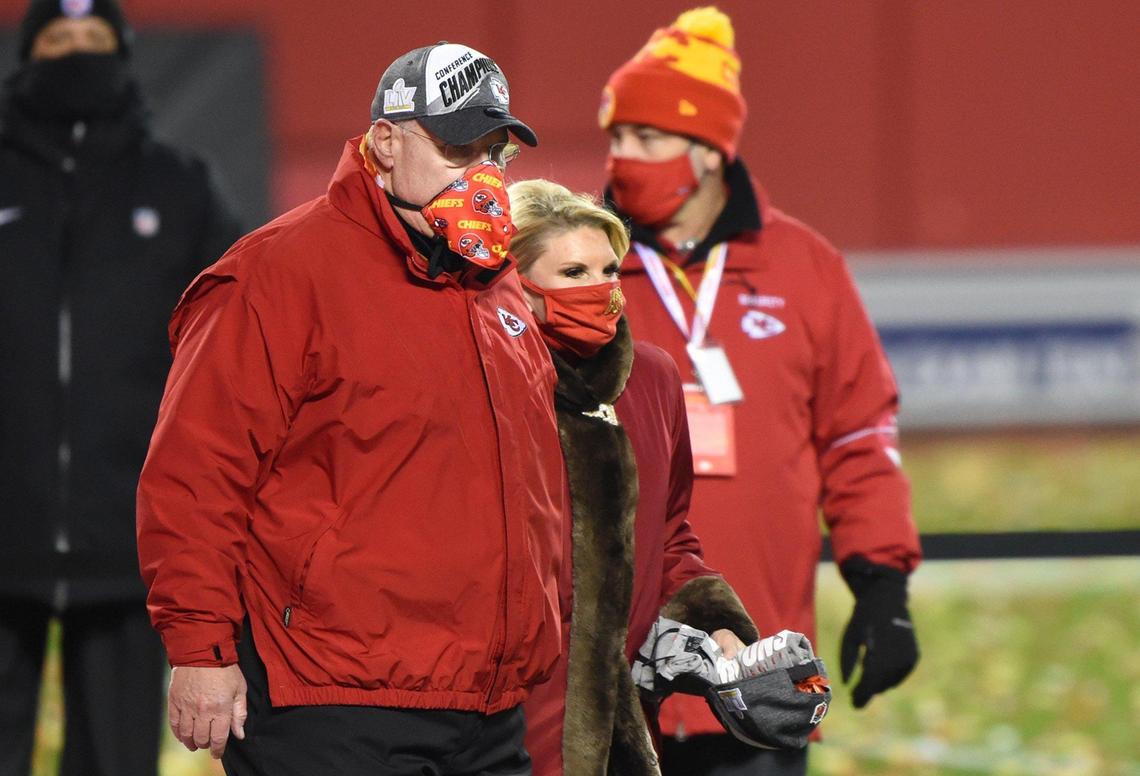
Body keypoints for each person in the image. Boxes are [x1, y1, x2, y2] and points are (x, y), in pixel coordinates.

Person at [136, 41, 566, 776]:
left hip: (486, 707)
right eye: (460, 148)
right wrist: (199, 647)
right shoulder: (277, 273)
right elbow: (195, 474)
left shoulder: (495, 286)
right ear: (386, 143)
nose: (483, 177)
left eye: (496, 154)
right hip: (329, 701)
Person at [597, 7, 923, 775]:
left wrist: (881, 583)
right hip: (611, 673)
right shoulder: (585, 265)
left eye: (645, 138)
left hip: (756, 668)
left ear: (709, 150)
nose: (620, 158)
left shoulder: (805, 268)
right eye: (615, 138)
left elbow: (858, 437)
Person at [0, 0, 241, 773]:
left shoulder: (179, 187)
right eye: (58, 39)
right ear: (26, 56)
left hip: (131, 535)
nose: (77, 52)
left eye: (94, 39)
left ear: (124, 54)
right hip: (3, 530)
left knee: (116, 760)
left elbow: (233, 347)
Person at [508, 179, 759, 775]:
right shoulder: (487, 383)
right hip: (507, 721)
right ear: (514, 283)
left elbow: (669, 536)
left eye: (609, 270)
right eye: (573, 272)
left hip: (622, 722)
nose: (600, 290)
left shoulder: (651, 377)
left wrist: (718, 629)